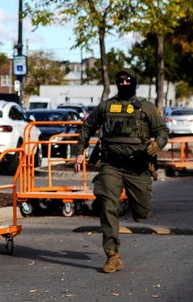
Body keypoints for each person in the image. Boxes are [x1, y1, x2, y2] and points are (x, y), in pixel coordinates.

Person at [73, 69, 169, 273]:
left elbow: (162, 131)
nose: (124, 83)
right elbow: (87, 127)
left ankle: (138, 208)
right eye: (120, 80)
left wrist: (157, 144)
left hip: (138, 166)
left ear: (134, 83)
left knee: (142, 211)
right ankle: (112, 255)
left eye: (128, 80)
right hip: (112, 165)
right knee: (108, 205)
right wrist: (79, 150)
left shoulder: (146, 107)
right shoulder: (106, 107)